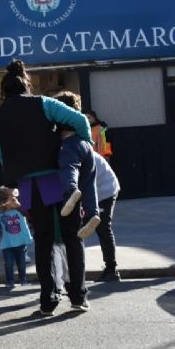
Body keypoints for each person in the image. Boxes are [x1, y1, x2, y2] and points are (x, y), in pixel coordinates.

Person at [0, 59, 92, 315]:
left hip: (29, 186)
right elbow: (79, 120)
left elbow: (2, 154)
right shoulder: (43, 104)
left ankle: (48, 299)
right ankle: (78, 296)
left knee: (43, 242)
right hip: (60, 180)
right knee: (72, 238)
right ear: (26, 84)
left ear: (5, 90)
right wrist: (86, 147)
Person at [53, 91, 101, 239]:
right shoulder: (79, 118)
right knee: (89, 183)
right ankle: (92, 214)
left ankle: (71, 190)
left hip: (69, 142)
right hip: (85, 146)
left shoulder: (60, 113)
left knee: (68, 168)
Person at [0, 187, 33, 288]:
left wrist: (18, 205)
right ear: (4, 201)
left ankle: (23, 279)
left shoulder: (20, 210)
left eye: (15, 198)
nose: (14, 199)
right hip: (8, 243)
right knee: (8, 264)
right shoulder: (1, 213)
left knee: (21, 263)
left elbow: (29, 214)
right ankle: (10, 281)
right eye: (12, 198)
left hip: (20, 242)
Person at [92, 151, 122, 282]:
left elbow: (85, 183)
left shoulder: (78, 154)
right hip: (100, 188)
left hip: (105, 191)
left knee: (103, 227)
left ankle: (111, 270)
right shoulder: (76, 149)